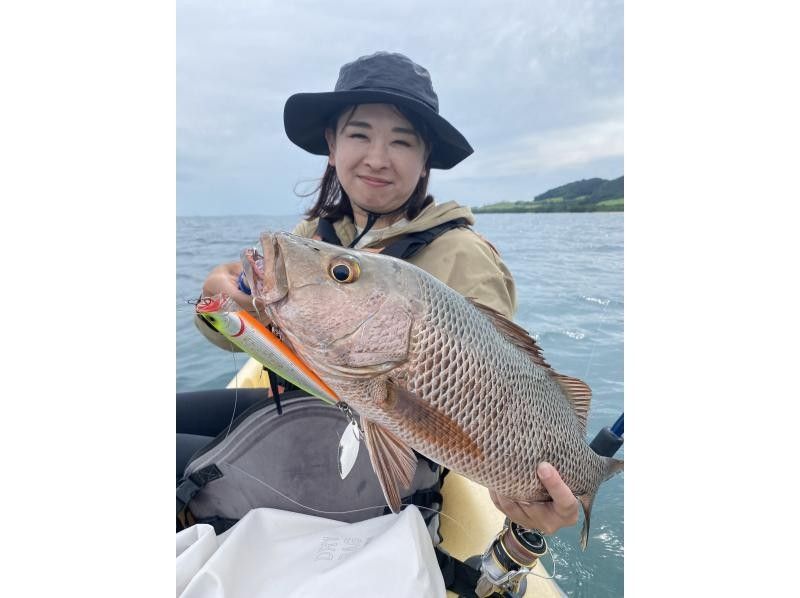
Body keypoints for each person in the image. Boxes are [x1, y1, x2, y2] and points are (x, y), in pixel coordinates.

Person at [189, 51, 578, 537]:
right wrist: (219, 305)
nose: (377, 157)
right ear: (331, 144)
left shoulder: (463, 254)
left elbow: (499, 389)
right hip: (300, 408)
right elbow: (251, 336)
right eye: (358, 134)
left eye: (401, 141)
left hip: (374, 451)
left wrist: (526, 493)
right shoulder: (316, 233)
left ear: (425, 160)